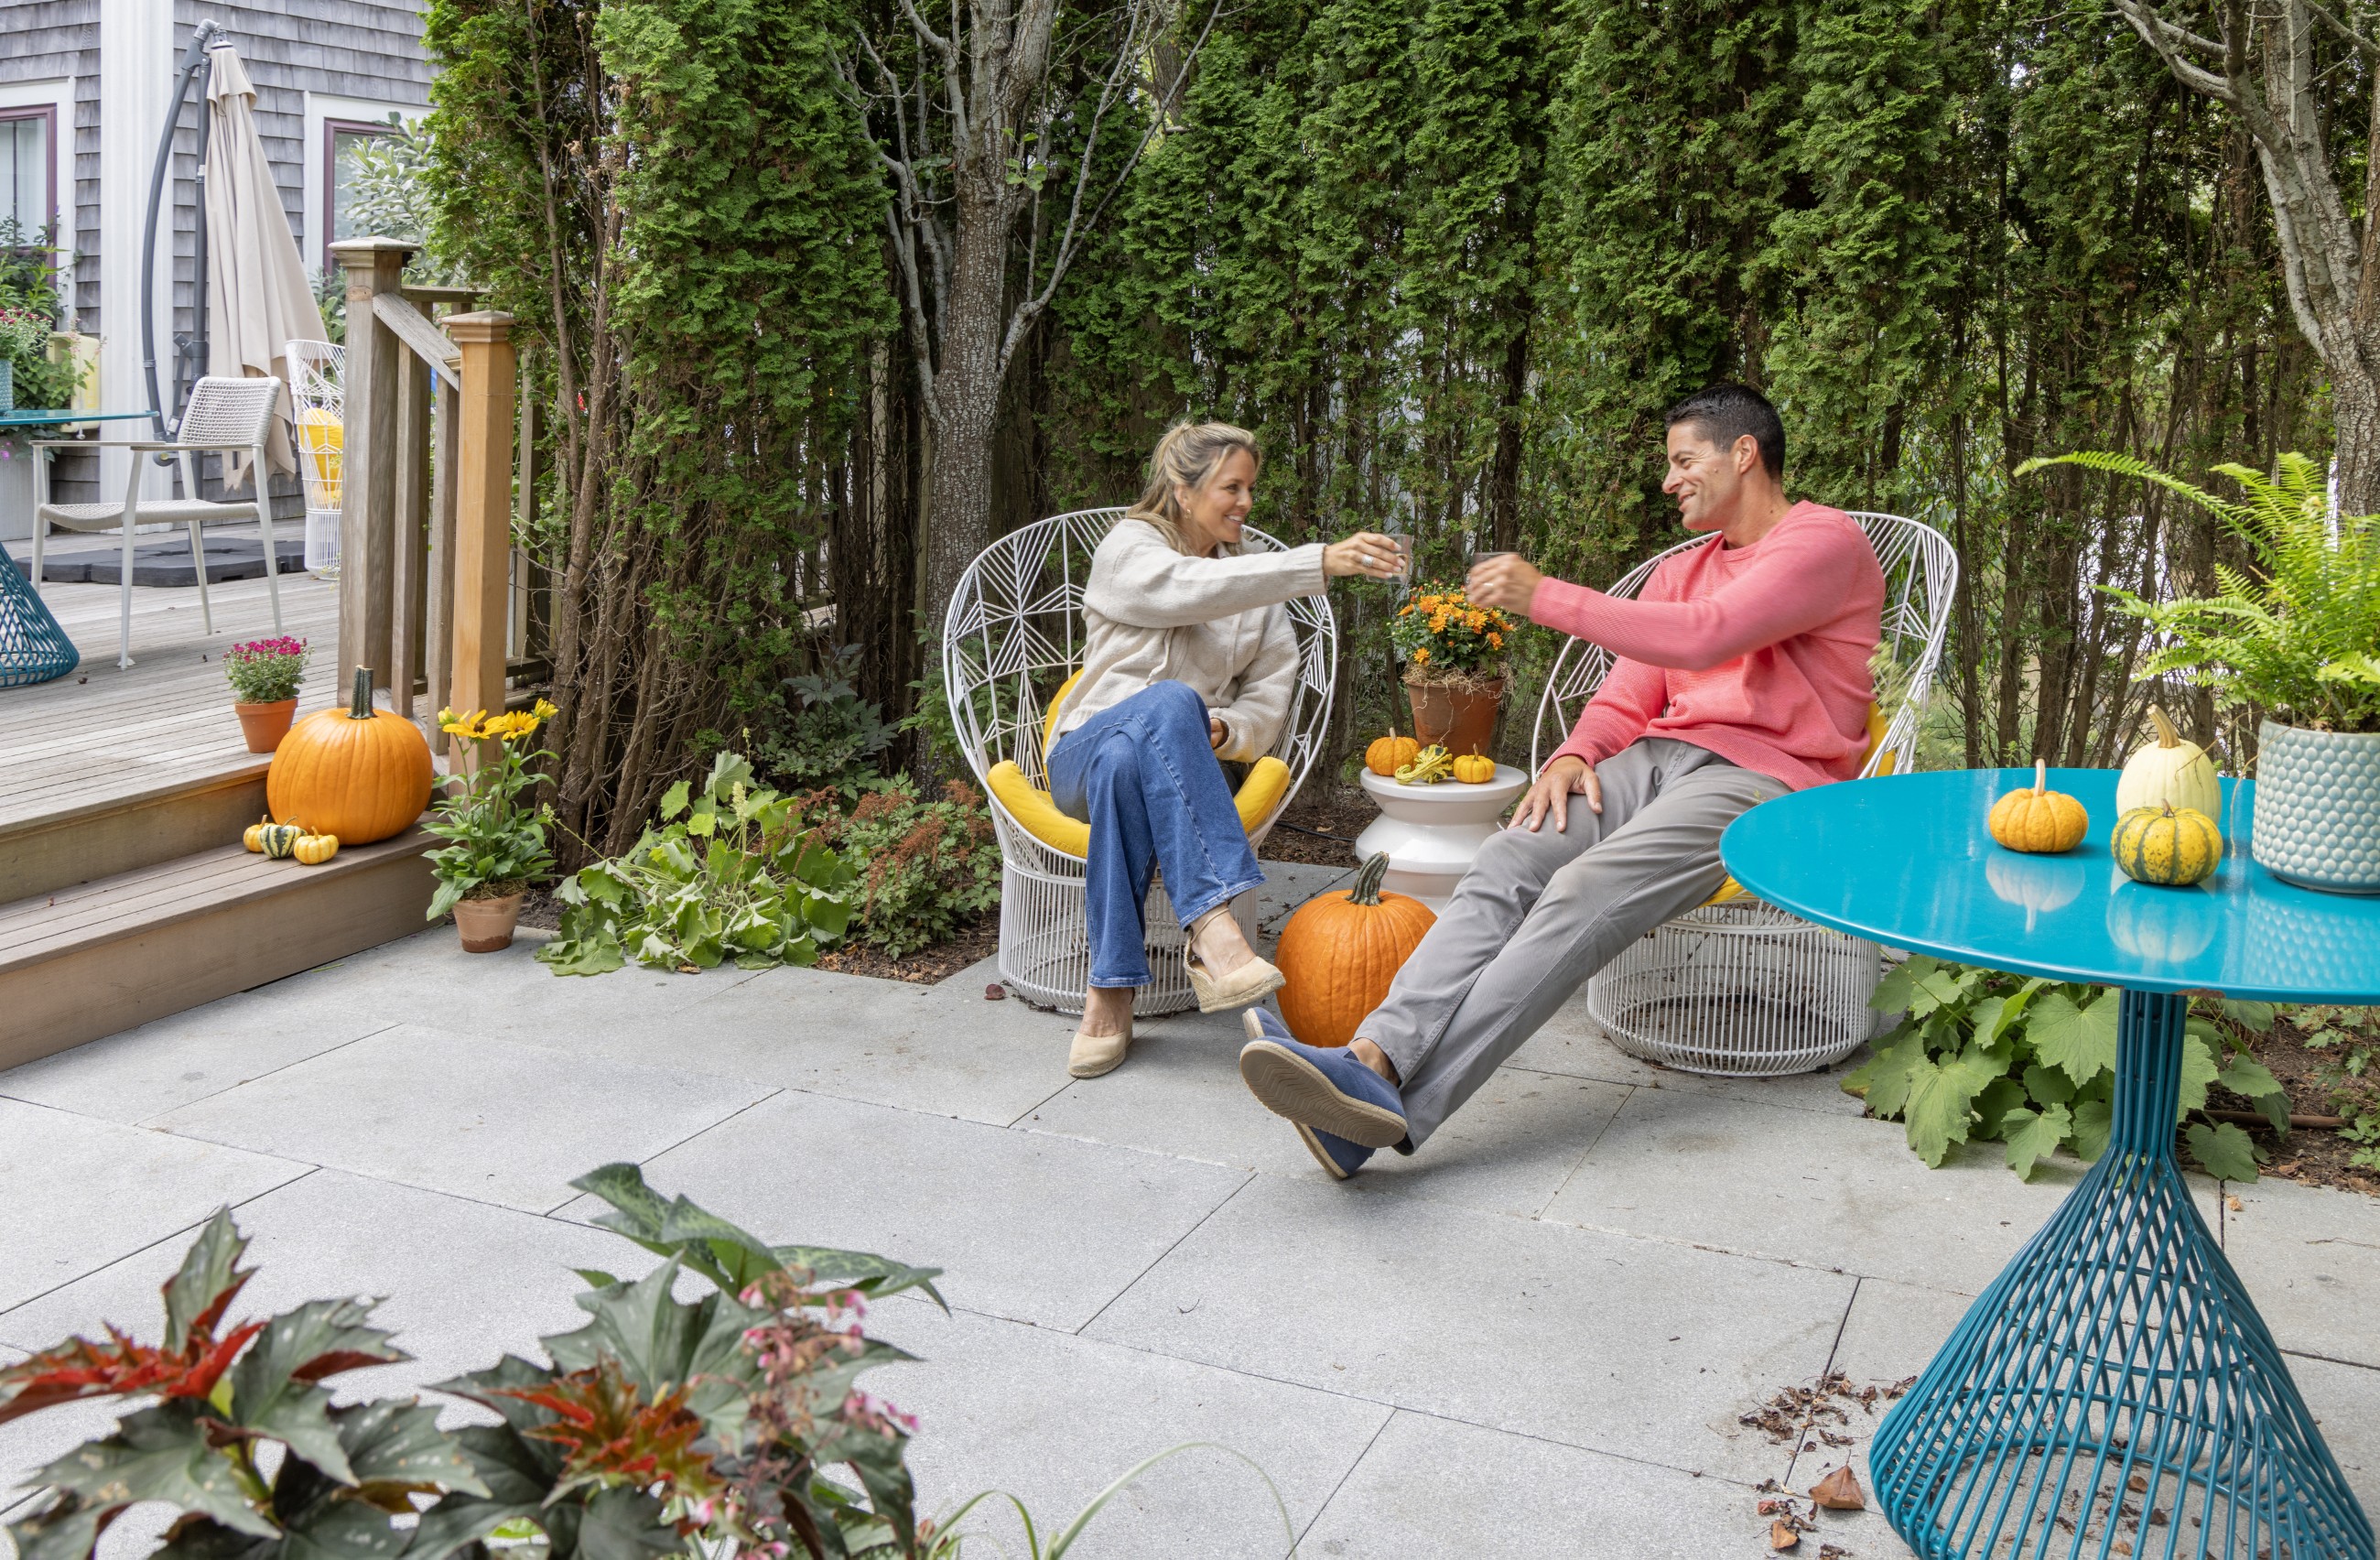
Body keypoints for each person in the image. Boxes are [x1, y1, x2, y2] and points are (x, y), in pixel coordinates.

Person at [1236, 384, 1888, 1177]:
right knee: (1511, 856)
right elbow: (1628, 692)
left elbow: (1707, 636)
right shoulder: (1681, 570)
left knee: (1585, 888)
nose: (1668, 480)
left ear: (1743, 453)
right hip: (1653, 762)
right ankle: (1372, 1055)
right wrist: (1577, 755)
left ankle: (1392, 1106)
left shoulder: (1824, 543)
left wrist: (1543, 597)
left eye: (1684, 461)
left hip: (1764, 783)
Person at [1048, 420, 1404, 1079]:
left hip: (1158, 772)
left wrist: (1227, 731)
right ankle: (1213, 927)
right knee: (1167, 706)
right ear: (1183, 492)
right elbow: (1184, 588)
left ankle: (1110, 993)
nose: (1244, 502)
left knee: (1146, 751)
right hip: (1081, 753)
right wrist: (1317, 560)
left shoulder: (1257, 596)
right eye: (1229, 487)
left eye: (1250, 488)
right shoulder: (1129, 548)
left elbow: (1267, 706)